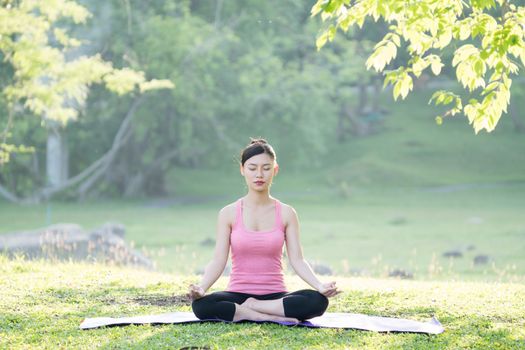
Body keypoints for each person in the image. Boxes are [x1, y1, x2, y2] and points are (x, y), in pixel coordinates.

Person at [188, 138, 341, 324]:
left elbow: (298, 259)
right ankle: (255, 314)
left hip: (275, 297)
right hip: (237, 294)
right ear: (242, 169)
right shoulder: (228, 213)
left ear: (275, 170)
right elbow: (219, 260)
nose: (259, 174)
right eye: (252, 168)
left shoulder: (286, 213)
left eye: (266, 168)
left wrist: (320, 285)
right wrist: (202, 288)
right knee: (201, 305)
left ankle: (253, 308)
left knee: (317, 301)